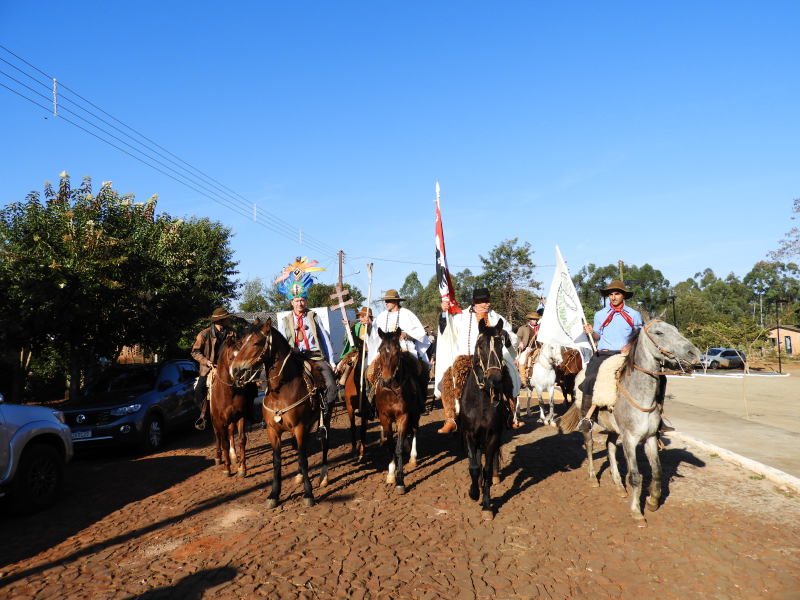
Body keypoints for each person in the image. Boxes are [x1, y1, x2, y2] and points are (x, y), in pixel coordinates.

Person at [437, 288, 522, 432]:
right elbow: (447, 332)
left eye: (488, 301)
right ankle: (450, 418)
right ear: (475, 302)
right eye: (484, 301)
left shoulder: (496, 317)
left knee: (510, 376)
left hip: (491, 361)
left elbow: (512, 337)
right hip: (465, 359)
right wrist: (444, 315)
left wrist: (504, 335)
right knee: (446, 381)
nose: (487, 304)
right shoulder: (460, 316)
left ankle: (510, 416)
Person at [578, 280, 647, 433]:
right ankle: (586, 417)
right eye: (611, 294)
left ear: (623, 296)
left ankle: (658, 415)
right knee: (590, 377)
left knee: (655, 376)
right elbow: (596, 336)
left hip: (627, 354)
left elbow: (639, 335)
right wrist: (590, 331)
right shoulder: (600, 314)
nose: (613, 297)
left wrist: (629, 346)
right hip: (605, 353)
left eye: (617, 294)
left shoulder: (634, 315)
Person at [275, 290, 339, 439]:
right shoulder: (285, 320)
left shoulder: (314, 317)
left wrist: (331, 362)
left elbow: (324, 339)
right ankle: (274, 414)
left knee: (331, 385)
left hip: (314, 356)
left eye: (302, 300)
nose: (300, 303)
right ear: (291, 302)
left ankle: (323, 422)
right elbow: (282, 344)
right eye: (296, 300)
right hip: (293, 358)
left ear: (306, 301)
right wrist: (291, 350)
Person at [366, 289, 432, 414]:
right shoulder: (381, 316)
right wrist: (369, 325)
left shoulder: (407, 314)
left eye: (388, 301)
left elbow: (421, 334)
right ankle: (370, 404)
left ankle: (420, 402)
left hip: (405, 349)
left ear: (396, 301)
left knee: (421, 370)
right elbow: (374, 335)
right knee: (369, 372)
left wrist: (406, 334)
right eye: (385, 301)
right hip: (386, 353)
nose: (386, 303)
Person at [191, 308, 259, 423]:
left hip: (231, 366)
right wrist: (206, 361)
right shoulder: (204, 334)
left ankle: (249, 412)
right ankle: (204, 416)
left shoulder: (233, 332)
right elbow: (195, 352)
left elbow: (241, 347)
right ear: (220, 320)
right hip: (210, 367)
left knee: (251, 386)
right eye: (226, 318)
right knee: (199, 390)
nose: (228, 319)